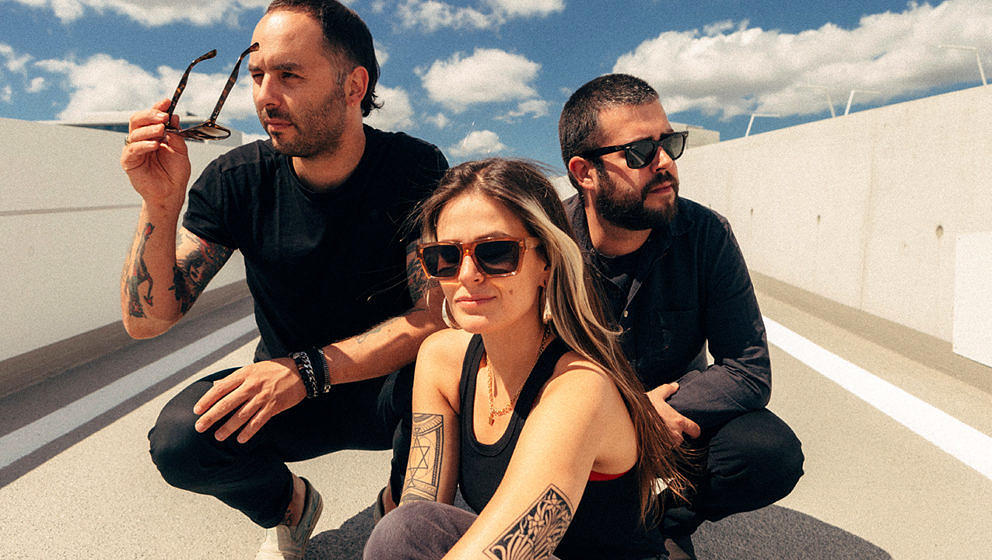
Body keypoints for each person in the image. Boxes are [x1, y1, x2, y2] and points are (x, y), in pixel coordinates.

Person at [119, 1, 447, 558]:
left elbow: (435, 317)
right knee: (180, 440)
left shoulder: (414, 169)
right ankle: (290, 506)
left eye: (289, 75)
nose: (265, 97)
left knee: (459, 376)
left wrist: (308, 370)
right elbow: (146, 322)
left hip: (388, 387)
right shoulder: (237, 179)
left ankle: (398, 508)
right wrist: (160, 203)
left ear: (354, 85)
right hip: (282, 392)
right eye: (256, 75)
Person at [363, 158, 691, 560]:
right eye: (445, 256)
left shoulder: (578, 389)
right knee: (401, 530)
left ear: (546, 262)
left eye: (496, 252)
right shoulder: (441, 359)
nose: (466, 274)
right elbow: (418, 513)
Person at [557, 73, 805, 559]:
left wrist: (650, 416)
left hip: (669, 428)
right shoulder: (547, 246)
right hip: (575, 435)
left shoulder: (706, 234)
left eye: (669, 143)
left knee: (768, 451)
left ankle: (660, 517)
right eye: (639, 152)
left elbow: (748, 370)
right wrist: (625, 412)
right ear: (585, 173)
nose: (665, 163)